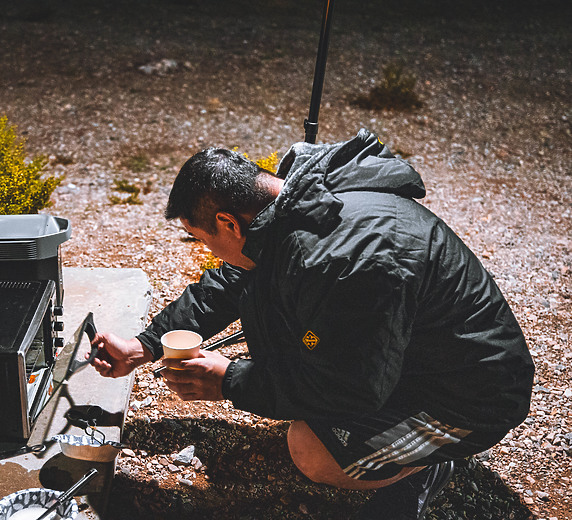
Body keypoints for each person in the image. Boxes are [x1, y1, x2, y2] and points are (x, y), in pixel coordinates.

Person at [90, 129, 534, 519]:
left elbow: (350, 387)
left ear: (228, 221)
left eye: (202, 238)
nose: (206, 249)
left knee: (310, 450)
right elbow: (231, 280)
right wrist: (144, 345)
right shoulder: (291, 204)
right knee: (298, 368)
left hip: (472, 393)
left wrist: (227, 380)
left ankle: (423, 466)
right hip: (407, 357)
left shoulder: (346, 259)